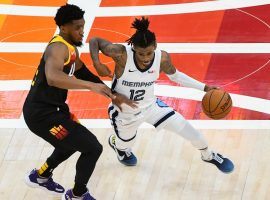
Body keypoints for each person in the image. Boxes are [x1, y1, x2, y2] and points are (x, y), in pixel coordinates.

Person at [89, 17, 234, 173]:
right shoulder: (121, 54)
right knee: (124, 145)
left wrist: (205, 88)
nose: (145, 58)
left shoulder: (162, 57)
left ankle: (208, 155)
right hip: (125, 114)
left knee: (194, 134)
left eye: (149, 53)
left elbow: (176, 76)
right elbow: (94, 41)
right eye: (141, 54)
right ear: (133, 48)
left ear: (155, 46)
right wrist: (97, 63)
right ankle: (118, 146)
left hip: (152, 108)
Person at [23, 4, 136, 200]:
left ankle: (40, 175)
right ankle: (77, 194)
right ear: (64, 28)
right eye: (77, 27)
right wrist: (89, 86)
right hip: (42, 115)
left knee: (71, 143)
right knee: (92, 147)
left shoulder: (70, 49)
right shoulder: (57, 48)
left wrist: (112, 94)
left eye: (83, 26)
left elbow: (83, 71)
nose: (82, 31)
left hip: (53, 111)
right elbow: (52, 77)